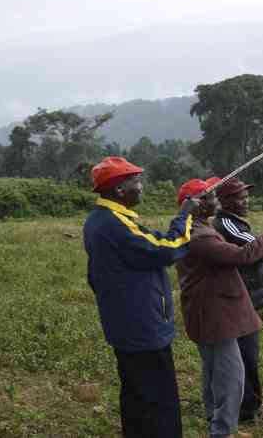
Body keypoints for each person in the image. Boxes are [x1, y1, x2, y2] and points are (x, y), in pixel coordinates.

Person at [83, 157, 199, 438]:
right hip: (142, 326)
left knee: (136, 393)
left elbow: (94, 275)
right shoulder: (114, 224)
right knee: (159, 400)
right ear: (120, 191)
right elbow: (166, 248)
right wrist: (185, 215)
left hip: (124, 323)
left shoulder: (100, 220)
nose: (141, 187)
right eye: (136, 181)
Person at [175, 178, 263, 438]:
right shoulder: (200, 235)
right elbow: (245, 255)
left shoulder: (194, 228)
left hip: (211, 312)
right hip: (217, 316)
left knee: (214, 371)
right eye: (208, 197)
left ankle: (214, 419)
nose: (214, 200)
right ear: (194, 205)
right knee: (231, 377)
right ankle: (222, 430)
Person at [213, 178, 263, 421]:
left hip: (244, 297)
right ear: (225, 202)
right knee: (246, 354)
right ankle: (248, 409)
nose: (246, 201)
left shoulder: (233, 223)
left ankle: (246, 404)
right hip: (241, 298)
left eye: (246, 196)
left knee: (244, 353)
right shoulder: (228, 225)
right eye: (240, 197)